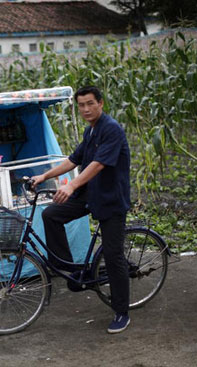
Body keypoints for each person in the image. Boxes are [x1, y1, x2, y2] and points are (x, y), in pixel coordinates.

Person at [31, 85, 131, 334]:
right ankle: (72, 271)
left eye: (90, 103)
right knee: (51, 214)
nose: (85, 109)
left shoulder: (112, 130)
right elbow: (73, 160)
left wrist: (72, 185)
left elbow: (97, 165)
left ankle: (122, 312)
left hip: (110, 200)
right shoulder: (91, 131)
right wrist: (44, 175)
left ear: (101, 103)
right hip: (90, 194)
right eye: (81, 105)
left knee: (113, 256)